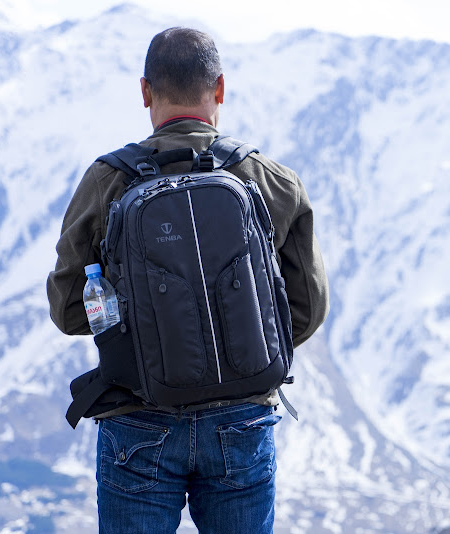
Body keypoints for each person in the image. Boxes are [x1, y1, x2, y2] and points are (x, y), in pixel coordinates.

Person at [46, 27, 329, 533]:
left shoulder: (106, 180)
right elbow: (305, 310)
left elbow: (69, 309)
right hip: (241, 420)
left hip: (138, 417)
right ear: (219, 89)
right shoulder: (268, 179)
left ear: (145, 92)